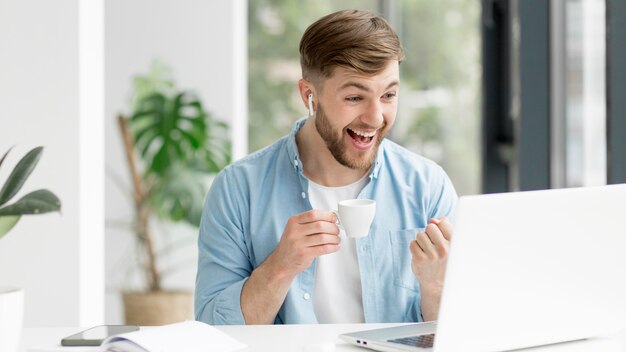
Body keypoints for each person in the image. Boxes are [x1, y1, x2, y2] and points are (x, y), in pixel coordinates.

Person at [195, 9, 457, 325]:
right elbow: (210, 333)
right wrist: (280, 266)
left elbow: (464, 333)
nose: (375, 117)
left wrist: (436, 286)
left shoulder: (427, 186)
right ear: (310, 95)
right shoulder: (238, 190)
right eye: (355, 97)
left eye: (388, 94)